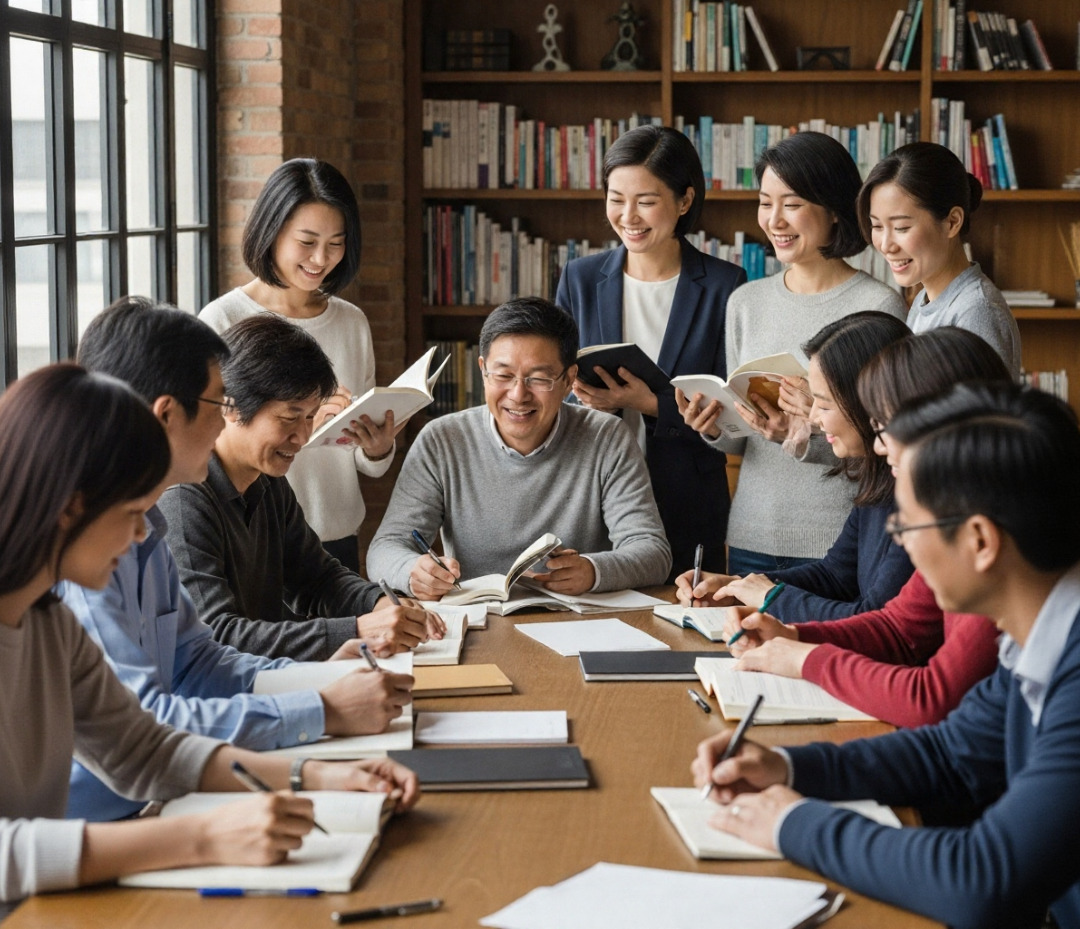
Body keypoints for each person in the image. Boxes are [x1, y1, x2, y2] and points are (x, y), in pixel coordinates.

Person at [0, 363, 418, 915]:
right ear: (69, 506)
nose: (144, 535)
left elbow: (140, 748)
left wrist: (316, 775)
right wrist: (202, 836)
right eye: (132, 512)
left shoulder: (49, 620)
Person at [693, 382, 1080, 929]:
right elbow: (952, 753)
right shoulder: (1037, 633)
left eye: (908, 525)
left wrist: (791, 823)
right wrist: (787, 766)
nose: (901, 541)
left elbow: (984, 880)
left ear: (980, 542)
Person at [62, 298, 413, 823]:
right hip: (99, 826)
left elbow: (198, 661)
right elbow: (146, 726)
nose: (225, 415)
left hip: (158, 801)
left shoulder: (145, 526)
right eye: (218, 402)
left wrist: (309, 681)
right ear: (167, 414)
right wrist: (320, 707)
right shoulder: (90, 548)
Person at [707, 327, 1010, 727]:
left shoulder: (991, 531)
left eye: (884, 426)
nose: (879, 445)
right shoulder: (948, 507)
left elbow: (933, 698)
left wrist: (807, 655)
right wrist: (794, 636)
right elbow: (899, 630)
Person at [677, 132, 907, 577]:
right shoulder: (745, 301)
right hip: (750, 533)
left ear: (835, 209)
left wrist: (803, 435)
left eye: (793, 203)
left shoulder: (878, 308)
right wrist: (712, 426)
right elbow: (742, 437)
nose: (774, 220)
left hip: (839, 540)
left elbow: (883, 448)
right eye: (765, 202)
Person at [159, 313, 444, 661]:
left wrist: (382, 603)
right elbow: (217, 634)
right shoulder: (183, 498)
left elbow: (317, 578)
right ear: (231, 407)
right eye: (289, 417)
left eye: (310, 416)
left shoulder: (267, 482)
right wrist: (359, 630)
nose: (304, 436)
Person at [366, 297, 671, 599]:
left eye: (538, 378)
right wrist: (412, 571)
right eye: (503, 375)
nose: (518, 394)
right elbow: (384, 549)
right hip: (478, 622)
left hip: (577, 622)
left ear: (568, 380)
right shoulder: (442, 440)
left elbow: (652, 551)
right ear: (483, 371)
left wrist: (593, 570)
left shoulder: (607, 438)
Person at [555, 125, 746, 578]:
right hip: (590, 494)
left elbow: (732, 410)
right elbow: (555, 379)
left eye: (646, 200)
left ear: (684, 201)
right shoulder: (580, 279)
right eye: (616, 198)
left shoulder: (725, 285)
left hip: (688, 497)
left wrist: (644, 403)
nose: (628, 216)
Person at [201, 158, 394, 573]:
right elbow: (212, 443)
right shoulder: (222, 321)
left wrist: (377, 449)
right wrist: (304, 422)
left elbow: (359, 459)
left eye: (336, 243)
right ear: (271, 232)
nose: (321, 259)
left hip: (336, 536)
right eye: (306, 242)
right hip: (254, 536)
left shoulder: (351, 321)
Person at [675, 311, 913, 621]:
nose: (812, 417)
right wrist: (737, 587)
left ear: (871, 400)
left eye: (824, 404)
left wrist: (770, 598)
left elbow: (874, 619)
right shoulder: (879, 475)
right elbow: (835, 576)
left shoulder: (920, 495)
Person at [857, 140, 1021, 377]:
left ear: (952, 222)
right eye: (876, 226)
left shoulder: (976, 311)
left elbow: (981, 413)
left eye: (901, 227)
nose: (885, 245)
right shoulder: (924, 299)